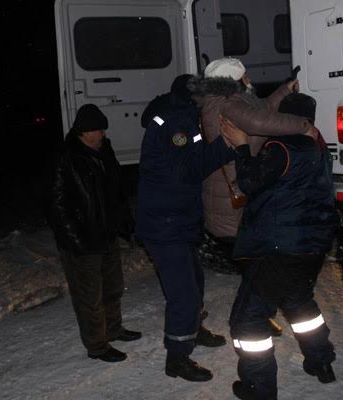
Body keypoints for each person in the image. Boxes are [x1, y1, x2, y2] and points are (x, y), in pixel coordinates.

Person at [222, 93, 339, 400]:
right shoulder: (319, 150)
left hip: (278, 249)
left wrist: (242, 147)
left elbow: (249, 182)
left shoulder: (282, 148)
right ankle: (321, 362)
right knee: (300, 305)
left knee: (248, 320)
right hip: (312, 247)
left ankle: (258, 388)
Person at [189, 57, 317, 336]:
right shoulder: (228, 103)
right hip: (234, 204)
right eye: (245, 75)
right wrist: (304, 125)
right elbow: (260, 120)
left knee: (257, 266)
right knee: (259, 268)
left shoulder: (224, 99)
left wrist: (284, 90)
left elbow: (260, 109)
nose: (250, 78)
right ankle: (253, 319)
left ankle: (259, 314)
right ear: (235, 79)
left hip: (230, 199)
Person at [136, 75, 235, 382]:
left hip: (176, 220)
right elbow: (188, 170)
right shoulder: (176, 124)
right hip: (166, 225)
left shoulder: (181, 117)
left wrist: (221, 145)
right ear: (194, 97)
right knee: (184, 295)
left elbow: (192, 161)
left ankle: (193, 329)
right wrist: (226, 145)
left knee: (195, 282)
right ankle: (177, 359)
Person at [47, 103, 141, 363]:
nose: (103, 134)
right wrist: (76, 240)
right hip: (82, 242)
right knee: (89, 297)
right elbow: (56, 206)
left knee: (113, 288)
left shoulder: (104, 150)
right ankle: (97, 346)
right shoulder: (66, 157)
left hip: (107, 235)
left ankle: (113, 329)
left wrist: (126, 223)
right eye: (98, 130)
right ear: (84, 132)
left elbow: (117, 191)